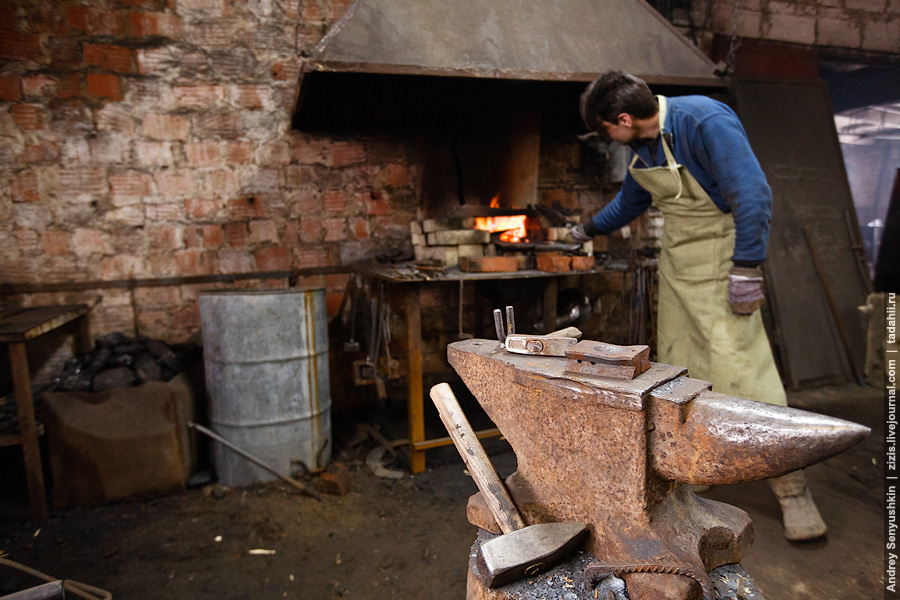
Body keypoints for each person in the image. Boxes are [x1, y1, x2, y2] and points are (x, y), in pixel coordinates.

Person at [572, 70, 826, 542]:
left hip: (723, 262)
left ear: (623, 119)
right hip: (679, 267)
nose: (608, 139)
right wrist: (583, 230)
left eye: (605, 130)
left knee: (744, 372)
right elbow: (631, 202)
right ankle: (700, 464)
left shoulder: (703, 120)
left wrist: (747, 268)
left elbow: (753, 194)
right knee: (682, 371)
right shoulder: (644, 148)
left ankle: (793, 489)